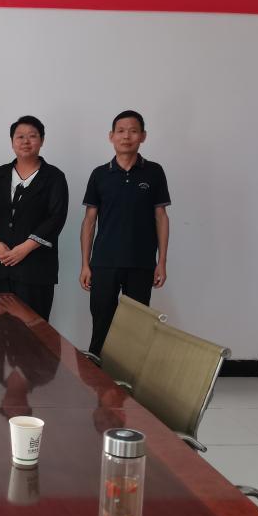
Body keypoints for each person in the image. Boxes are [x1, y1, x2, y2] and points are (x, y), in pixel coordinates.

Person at [80, 110, 171, 355]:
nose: (126, 136)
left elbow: (161, 217)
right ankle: (96, 372)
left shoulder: (154, 172)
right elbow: (89, 220)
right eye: (120, 131)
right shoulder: (100, 174)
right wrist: (85, 264)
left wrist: (161, 262)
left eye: (133, 131)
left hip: (141, 263)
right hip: (104, 263)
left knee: (137, 327)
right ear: (111, 136)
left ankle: (129, 374)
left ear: (143, 136)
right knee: (101, 322)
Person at [0, 115, 69, 320]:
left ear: (42, 140)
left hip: (35, 267)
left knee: (33, 325)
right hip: (0, 262)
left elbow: (56, 217)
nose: (26, 141)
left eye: (32, 136)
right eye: (20, 137)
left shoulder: (54, 177)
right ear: (12, 142)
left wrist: (24, 248)